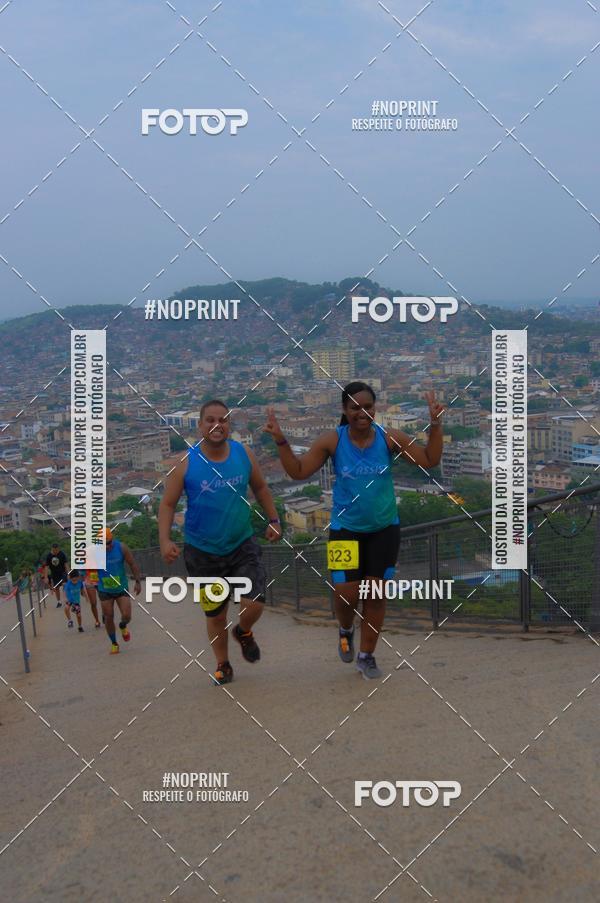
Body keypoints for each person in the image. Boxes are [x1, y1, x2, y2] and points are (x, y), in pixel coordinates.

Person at [264, 382, 444, 679]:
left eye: (368, 407)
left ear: (375, 408)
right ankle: (346, 628)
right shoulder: (333, 441)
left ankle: (366, 656)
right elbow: (298, 471)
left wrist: (435, 425)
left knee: (375, 595)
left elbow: (429, 460)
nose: (362, 413)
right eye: (355, 408)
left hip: (384, 530)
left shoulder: (389, 438)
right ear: (345, 410)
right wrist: (281, 441)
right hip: (345, 529)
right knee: (346, 594)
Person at [159, 399, 282, 686]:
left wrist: (274, 519)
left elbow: (260, 487)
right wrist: (164, 540)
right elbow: (167, 504)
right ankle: (223, 664)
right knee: (215, 614)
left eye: (223, 420)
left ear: (229, 424)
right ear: (200, 426)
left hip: (242, 543)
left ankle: (243, 630)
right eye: (210, 420)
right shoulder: (185, 462)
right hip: (202, 552)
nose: (217, 425)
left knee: (255, 602)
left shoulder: (243, 453)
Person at [96, 528, 142, 654]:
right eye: (104, 544)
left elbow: (132, 564)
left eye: (109, 543)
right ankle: (114, 643)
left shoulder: (121, 548)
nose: (107, 546)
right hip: (104, 589)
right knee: (108, 616)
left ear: (112, 539)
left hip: (121, 587)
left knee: (127, 616)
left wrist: (138, 582)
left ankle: (123, 626)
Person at [43, 542, 68, 607]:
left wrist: (69, 573)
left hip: (62, 572)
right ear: (52, 549)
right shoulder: (49, 556)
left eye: (57, 550)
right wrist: (46, 577)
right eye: (54, 550)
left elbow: (66, 564)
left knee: (65, 585)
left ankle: (66, 599)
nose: (56, 552)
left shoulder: (62, 554)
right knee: (56, 588)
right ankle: (59, 602)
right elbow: (46, 567)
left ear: (58, 549)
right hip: (54, 574)